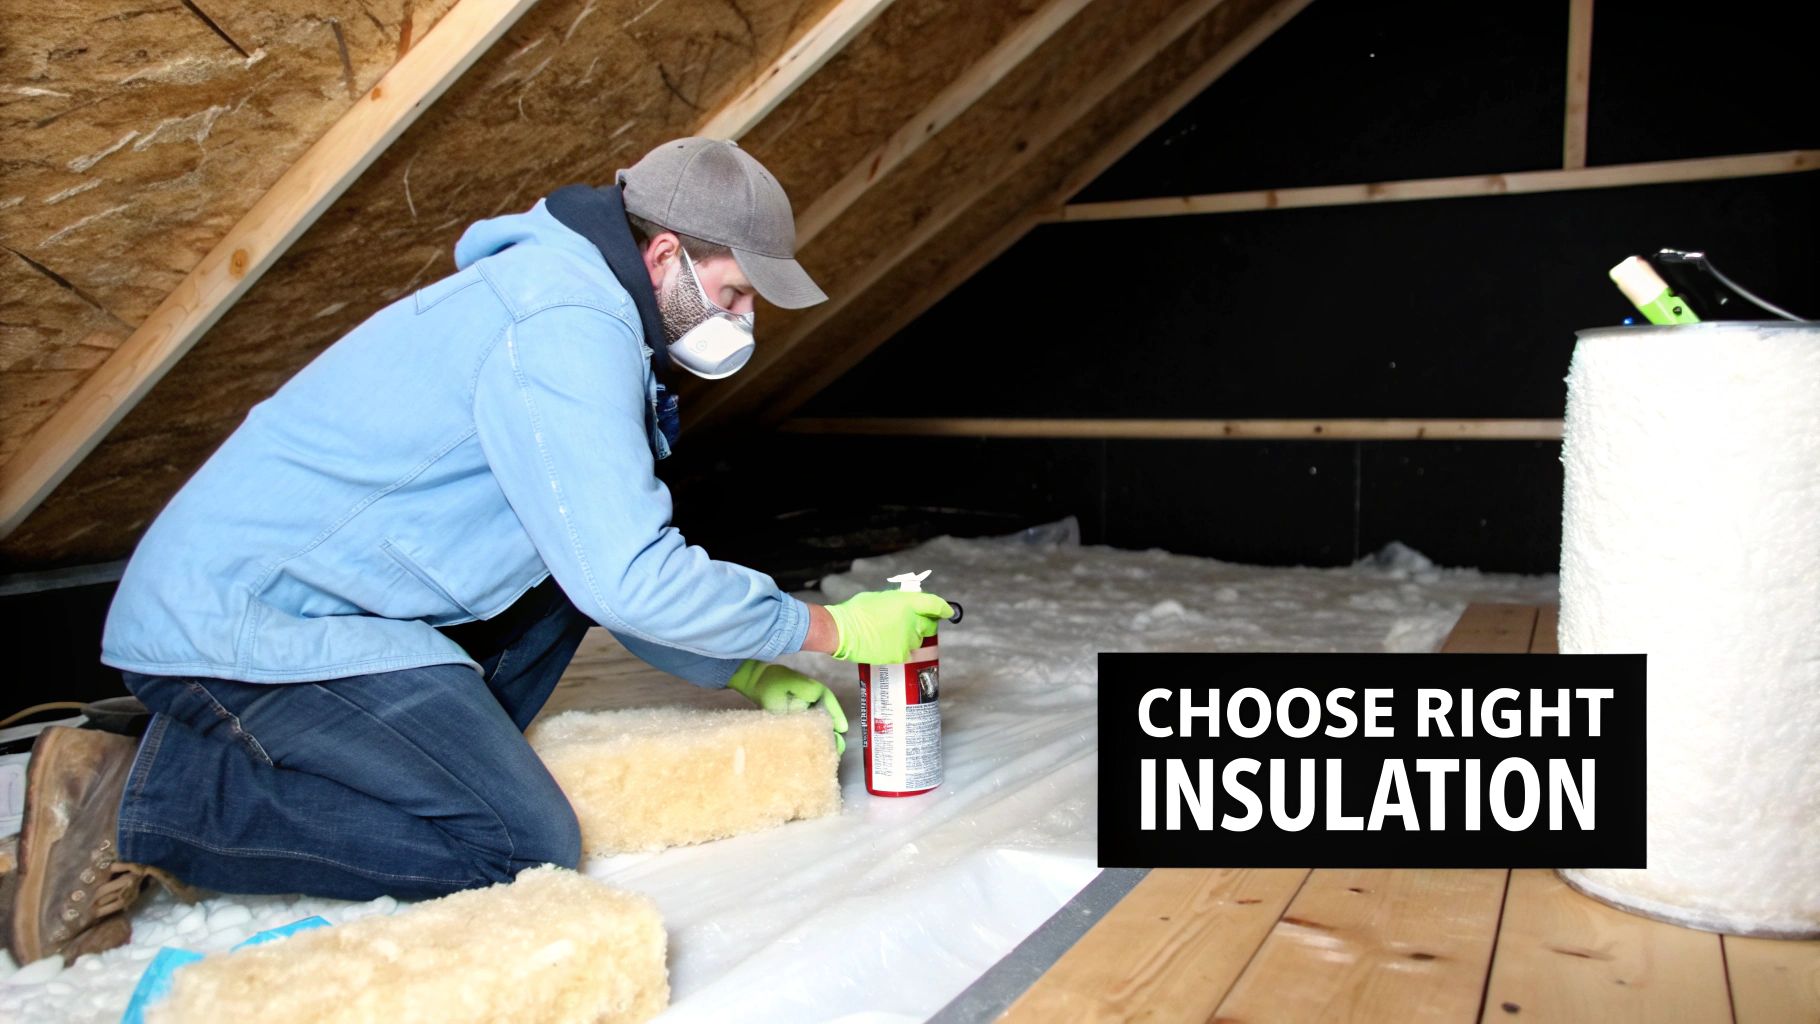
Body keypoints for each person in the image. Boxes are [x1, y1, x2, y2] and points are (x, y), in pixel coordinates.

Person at [5, 138, 953, 964]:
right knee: (516, 836)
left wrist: (742, 665)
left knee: (566, 589)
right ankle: (141, 796)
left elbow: (596, 560)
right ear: (664, 253)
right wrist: (823, 627)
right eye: (735, 293)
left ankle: (208, 747)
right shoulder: (564, 325)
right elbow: (626, 574)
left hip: (334, 609)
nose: (741, 322)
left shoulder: (579, 304)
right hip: (247, 623)